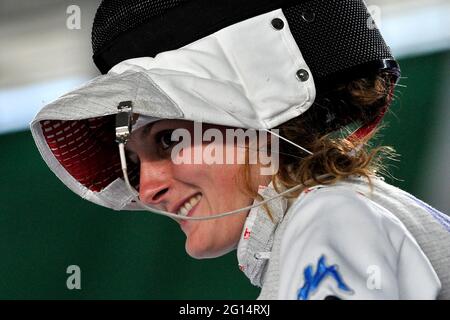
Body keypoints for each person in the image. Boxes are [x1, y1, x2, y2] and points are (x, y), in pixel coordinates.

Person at [30, 0, 450, 299]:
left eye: (167, 140)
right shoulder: (343, 211)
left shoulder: (327, 218)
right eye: (135, 162)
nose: (145, 190)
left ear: (254, 109)